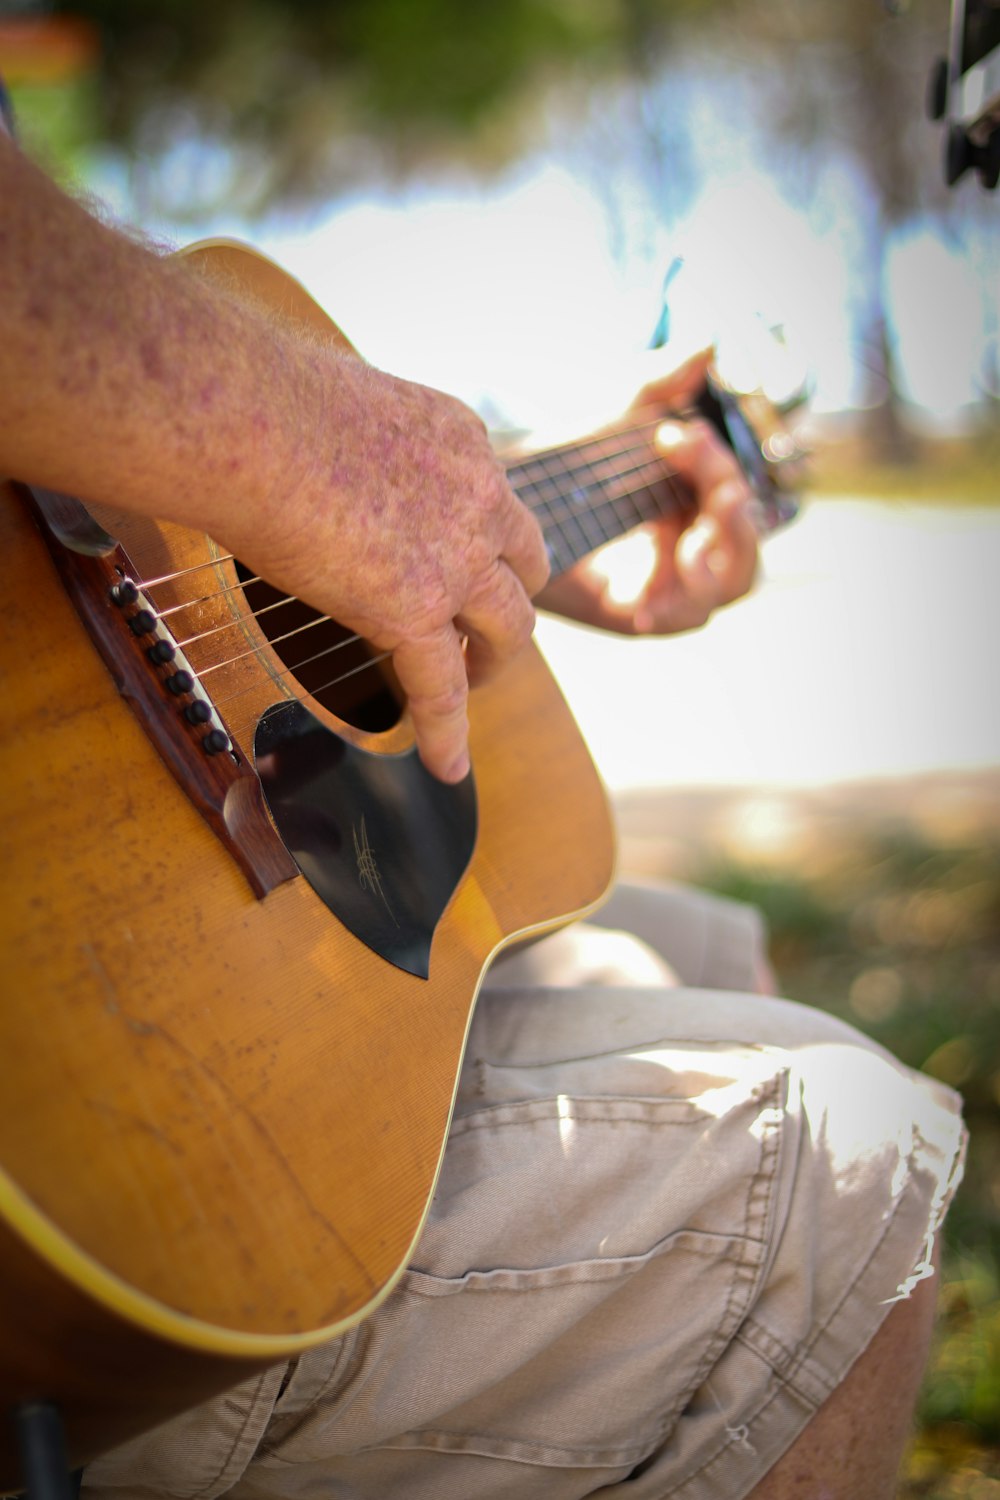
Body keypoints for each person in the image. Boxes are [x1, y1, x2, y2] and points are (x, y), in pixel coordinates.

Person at [0, 126, 965, 1500]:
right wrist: (285, 434)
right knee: (854, 1157)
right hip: (85, 1186)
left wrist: (477, 552)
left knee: (702, 951)